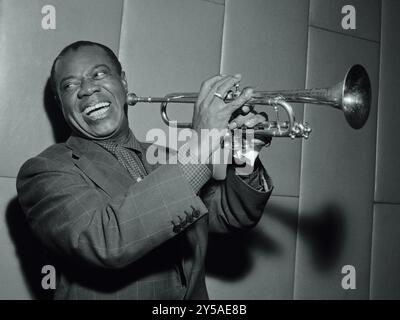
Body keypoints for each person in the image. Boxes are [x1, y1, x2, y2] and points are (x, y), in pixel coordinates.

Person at [16, 41, 273, 300]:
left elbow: (231, 216)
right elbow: (104, 241)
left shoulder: (168, 157)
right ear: (61, 103)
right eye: (69, 85)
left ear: (124, 83)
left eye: (99, 74)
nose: (87, 88)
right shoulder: (45, 171)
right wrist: (199, 146)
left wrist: (244, 154)